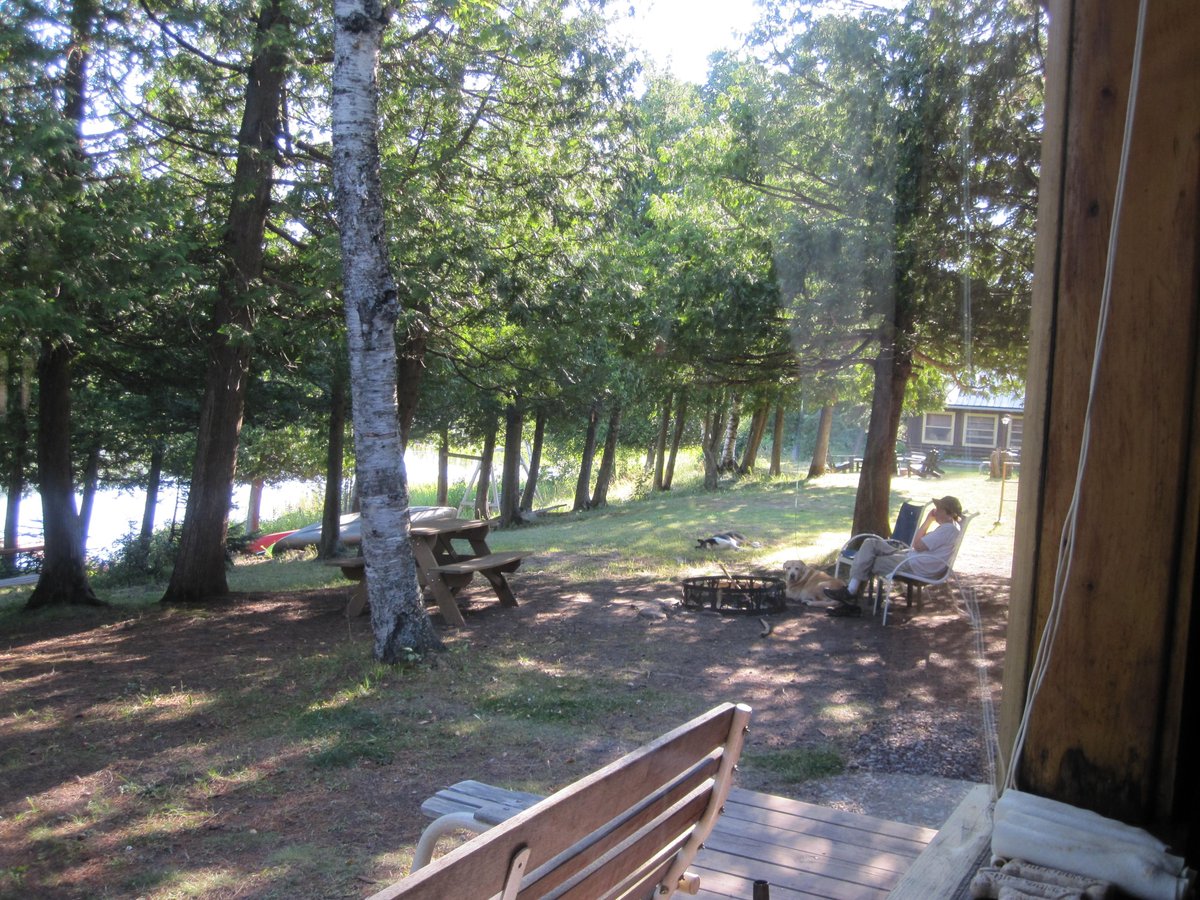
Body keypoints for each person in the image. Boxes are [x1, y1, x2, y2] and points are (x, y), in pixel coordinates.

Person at [823, 496, 964, 617]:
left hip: (915, 564)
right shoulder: (950, 528)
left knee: (869, 560)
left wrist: (927, 521)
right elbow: (920, 546)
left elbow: (917, 544)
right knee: (870, 543)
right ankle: (850, 594)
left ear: (949, 513)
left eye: (939, 509)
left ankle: (850, 599)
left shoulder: (947, 530)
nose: (936, 512)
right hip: (912, 557)